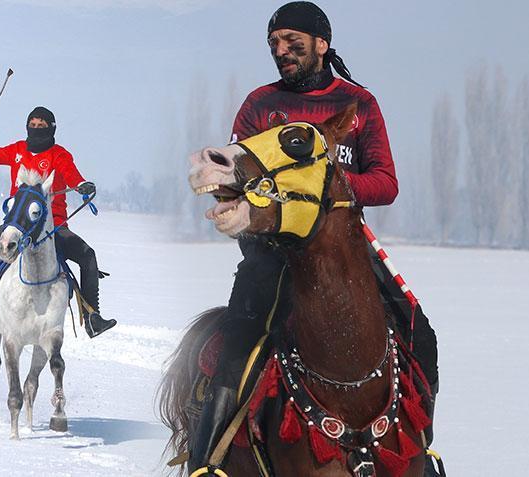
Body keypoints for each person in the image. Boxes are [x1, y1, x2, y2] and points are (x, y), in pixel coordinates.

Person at [189, 2, 440, 473]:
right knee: (239, 343)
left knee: (419, 332)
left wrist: (331, 190)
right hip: (272, 252)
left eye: (293, 44)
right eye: (274, 45)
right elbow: (238, 174)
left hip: (344, 246)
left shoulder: (358, 105)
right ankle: (206, 463)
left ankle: (421, 452)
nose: (281, 52)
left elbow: (386, 182)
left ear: (321, 45)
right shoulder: (260, 104)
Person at [0, 106, 116, 338]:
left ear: (51, 129)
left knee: (87, 255)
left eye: (41, 126)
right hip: (17, 226)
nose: (36, 129)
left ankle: (93, 316)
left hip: (52, 229)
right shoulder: (17, 150)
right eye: (32, 125)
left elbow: (72, 175)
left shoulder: (59, 155)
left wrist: (82, 185)